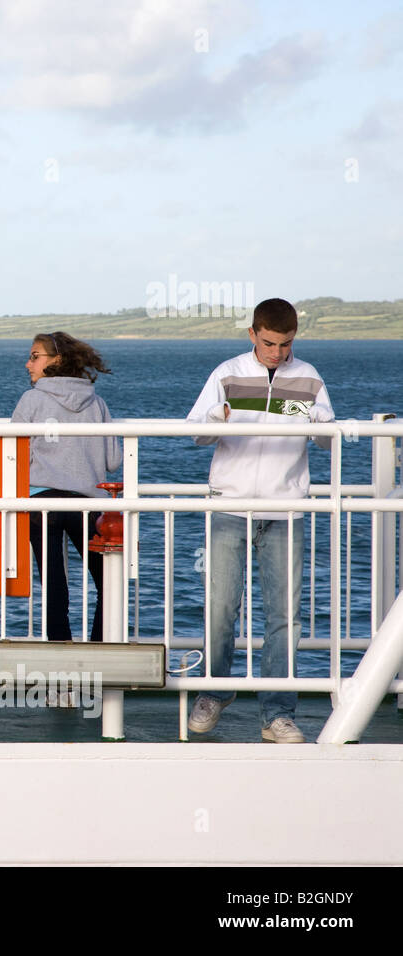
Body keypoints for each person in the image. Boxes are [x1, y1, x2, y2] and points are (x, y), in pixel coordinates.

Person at [185, 298, 333, 743]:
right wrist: (217, 416)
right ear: (253, 334)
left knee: (284, 616)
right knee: (220, 609)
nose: (276, 353)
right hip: (229, 507)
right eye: (269, 343)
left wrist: (320, 419)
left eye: (285, 344)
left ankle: (277, 715)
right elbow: (194, 431)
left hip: (286, 508)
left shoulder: (309, 377)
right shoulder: (226, 374)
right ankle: (214, 691)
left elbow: (327, 439)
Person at [11, 332, 121, 643]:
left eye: (35, 356)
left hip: (41, 502)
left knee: (53, 583)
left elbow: (14, 455)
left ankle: (60, 647)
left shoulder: (31, 400)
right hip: (86, 503)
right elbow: (113, 459)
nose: (27, 363)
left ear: (56, 360)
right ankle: (100, 647)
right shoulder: (96, 402)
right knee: (108, 584)